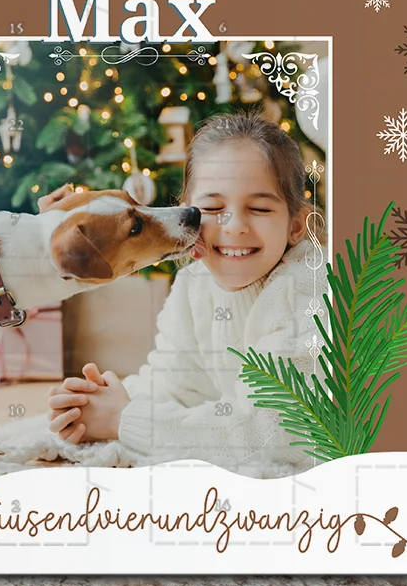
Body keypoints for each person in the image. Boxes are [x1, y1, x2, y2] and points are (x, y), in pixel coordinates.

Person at [44, 112, 322, 475]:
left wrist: (125, 419)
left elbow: (273, 433)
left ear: (296, 226)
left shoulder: (307, 291)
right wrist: (93, 405)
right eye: (212, 208)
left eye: (258, 208)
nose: (234, 226)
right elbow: (173, 385)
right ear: (186, 217)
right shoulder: (195, 285)